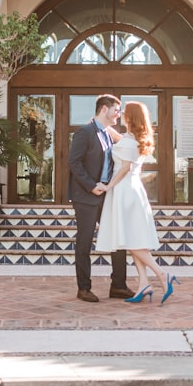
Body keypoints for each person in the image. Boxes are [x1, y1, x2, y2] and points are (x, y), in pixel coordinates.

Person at [95, 101, 178, 305]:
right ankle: (143, 284)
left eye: (124, 112)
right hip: (131, 190)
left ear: (130, 117)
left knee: (132, 241)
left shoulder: (129, 143)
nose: (121, 114)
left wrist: (108, 186)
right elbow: (119, 139)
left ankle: (162, 274)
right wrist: (103, 125)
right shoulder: (133, 139)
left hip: (124, 191)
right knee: (132, 239)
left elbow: (124, 168)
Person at [67, 94, 132, 303]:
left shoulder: (107, 134)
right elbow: (74, 162)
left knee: (117, 238)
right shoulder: (85, 133)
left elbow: (127, 147)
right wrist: (91, 185)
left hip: (106, 195)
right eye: (116, 110)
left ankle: (119, 286)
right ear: (104, 109)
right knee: (84, 241)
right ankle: (84, 288)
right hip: (86, 197)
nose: (118, 115)